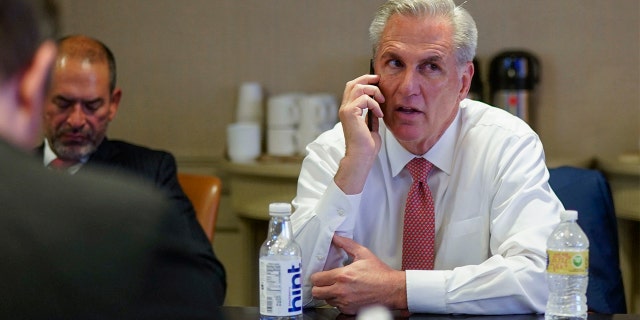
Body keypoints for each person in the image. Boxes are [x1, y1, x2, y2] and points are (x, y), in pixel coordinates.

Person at [291, 0, 563, 315]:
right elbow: (293, 286)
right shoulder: (337, 149)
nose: (408, 88)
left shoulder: (507, 144)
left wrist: (399, 288)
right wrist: (354, 165)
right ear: (373, 73)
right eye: (394, 63)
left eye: (430, 66)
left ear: (463, 82)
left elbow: (542, 277)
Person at [0, 0, 224, 318]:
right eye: (63, 103)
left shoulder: (150, 172)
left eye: (91, 106)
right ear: (38, 94)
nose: (77, 120)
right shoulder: (12, 176)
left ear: (113, 103)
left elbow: (208, 281)